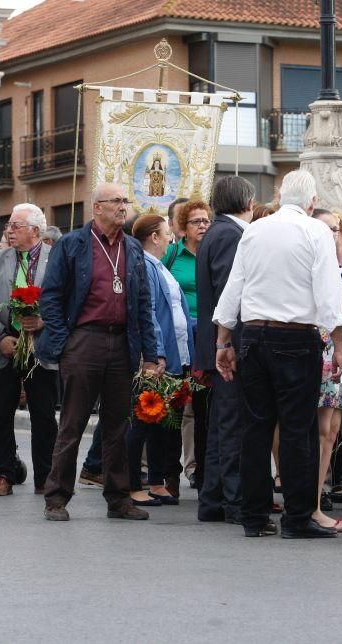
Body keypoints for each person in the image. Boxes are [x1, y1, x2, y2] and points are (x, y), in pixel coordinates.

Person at [213, 169, 342, 539]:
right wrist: (338, 344)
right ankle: (297, 517)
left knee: (255, 428)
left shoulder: (255, 229)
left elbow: (234, 285)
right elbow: (327, 290)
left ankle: (254, 517)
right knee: (297, 430)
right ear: (312, 202)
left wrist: (223, 340)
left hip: (253, 336)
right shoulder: (316, 230)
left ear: (279, 194)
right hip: (295, 339)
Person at [35, 183, 159, 521]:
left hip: (122, 342)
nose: (123, 206)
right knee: (73, 423)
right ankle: (56, 497)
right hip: (84, 341)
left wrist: (150, 353)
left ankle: (118, 498)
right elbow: (51, 297)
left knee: (118, 425)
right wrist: (65, 341)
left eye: (125, 201)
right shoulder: (72, 244)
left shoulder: (132, 248)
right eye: (116, 201)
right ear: (97, 208)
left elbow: (143, 305)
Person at [0, 203, 59, 497]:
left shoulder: (56, 258)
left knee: (44, 415)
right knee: (0, 413)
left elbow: (66, 300)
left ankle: (46, 477)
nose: (9, 231)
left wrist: (43, 321)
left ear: (35, 230)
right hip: (3, 345)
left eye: (15, 226)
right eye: (9, 226)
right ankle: (2, 473)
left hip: (41, 346)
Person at [196, 175, 256, 523]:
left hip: (220, 342)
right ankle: (233, 500)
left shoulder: (218, 232)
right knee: (232, 424)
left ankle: (214, 499)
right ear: (247, 202)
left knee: (223, 425)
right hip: (229, 345)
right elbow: (228, 293)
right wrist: (228, 342)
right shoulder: (231, 236)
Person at [128, 214, 194, 506]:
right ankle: (132, 483)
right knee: (142, 421)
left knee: (160, 424)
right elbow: (149, 312)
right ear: (154, 237)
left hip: (173, 357)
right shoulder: (145, 266)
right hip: (157, 359)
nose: (171, 238)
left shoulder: (158, 267)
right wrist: (155, 355)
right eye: (167, 233)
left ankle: (156, 480)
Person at [311, 209, 342, 532]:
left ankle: (316, 498)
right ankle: (309, 502)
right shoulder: (312, 263)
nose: (331, 234)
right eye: (325, 228)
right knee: (317, 431)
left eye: (335, 229)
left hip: (340, 354)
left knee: (332, 431)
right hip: (315, 351)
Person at [165, 200, 211, 490]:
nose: (203, 226)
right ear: (183, 228)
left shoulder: (213, 252)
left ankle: (200, 468)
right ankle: (169, 469)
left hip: (205, 335)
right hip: (180, 336)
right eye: (196, 221)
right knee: (177, 402)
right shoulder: (172, 254)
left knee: (202, 405)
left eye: (206, 221)